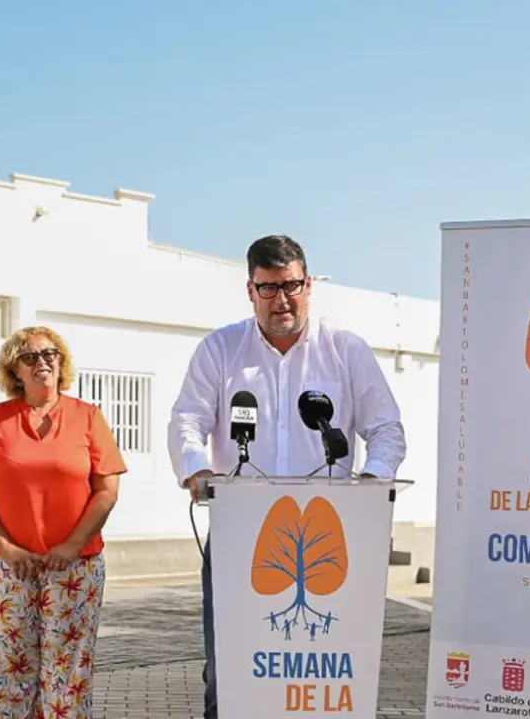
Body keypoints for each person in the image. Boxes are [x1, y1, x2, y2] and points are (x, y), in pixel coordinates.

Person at [166, 235, 407, 718]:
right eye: (269, 288)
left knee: (324, 670)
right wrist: (197, 470)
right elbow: (186, 421)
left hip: (331, 533)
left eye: (291, 286)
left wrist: (371, 480)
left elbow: (387, 431)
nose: (282, 300)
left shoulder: (345, 350)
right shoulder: (221, 349)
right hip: (241, 535)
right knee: (229, 672)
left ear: (309, 283)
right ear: (250, 290)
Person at [0, 326, 126, 717]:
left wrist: (71, 545)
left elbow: (106, 491)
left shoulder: (88, 417)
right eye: (30, 357)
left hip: (75, 567)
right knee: (7, 672)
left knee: (68, 673)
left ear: (61, 363)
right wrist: (7, 548)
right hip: (4, 568)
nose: (42, 363)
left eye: (50, 354)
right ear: (14, 370)